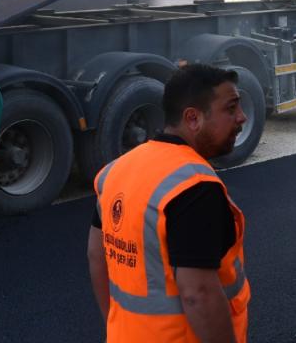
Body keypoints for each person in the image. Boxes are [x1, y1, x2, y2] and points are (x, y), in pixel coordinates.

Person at [88, 64, 250, 343]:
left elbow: (96, 256)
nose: (242, 117)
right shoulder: (195, 187)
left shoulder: (116, 170)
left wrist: (115, 327)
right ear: (193, 118)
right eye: (231, 108)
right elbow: (198, 294)